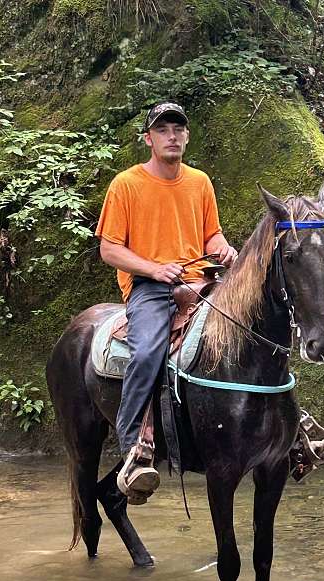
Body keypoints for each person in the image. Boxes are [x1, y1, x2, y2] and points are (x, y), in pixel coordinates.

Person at [95, 101, 238, 503]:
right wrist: (154, 269)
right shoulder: (126, 184)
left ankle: (290, 430)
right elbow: (110, 249)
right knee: (146, 353)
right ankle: (132, 448)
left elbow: (211, 235)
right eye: (163, 130)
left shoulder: (200, 182)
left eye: (178, 129)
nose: (171, 136)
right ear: (149, 139)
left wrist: (223, 249)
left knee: (253, 328)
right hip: (149, 287)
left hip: (200, 280)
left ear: (187, 137)